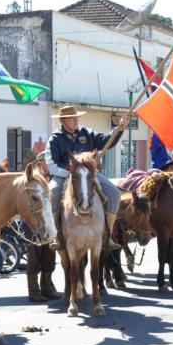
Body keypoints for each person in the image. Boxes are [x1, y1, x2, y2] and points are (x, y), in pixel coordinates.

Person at [47, 105, 126, 251]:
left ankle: (107, 235)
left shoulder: (87, 133)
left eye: (76, 117)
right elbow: (51, 163)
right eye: (72, 118)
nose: (76, 120)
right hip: (64, 175)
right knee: (52, 193)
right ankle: (56, 235)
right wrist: (70, 173)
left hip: (89, 174)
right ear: (63, 120)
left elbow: (106, 140)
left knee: (114, 193)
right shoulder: (55, 139)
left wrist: (119, 128)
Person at [24, 151, 62, 302]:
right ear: (40, 162)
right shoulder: (33, 179)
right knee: (34, 256)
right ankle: (33, 291)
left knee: (49, 254)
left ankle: (47, 287)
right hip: (32, 222)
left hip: (48, 222)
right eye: (47, 161)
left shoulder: (51, 179)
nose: (50, 164)